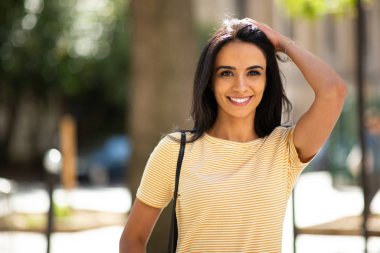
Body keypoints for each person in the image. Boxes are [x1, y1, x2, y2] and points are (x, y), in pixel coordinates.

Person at [119, 18, 346, 252]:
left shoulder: (284, 150)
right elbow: (132, 239)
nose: (240, 86)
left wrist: (281, 43)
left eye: (253, 73)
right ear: (209, 80)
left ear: (267, 81)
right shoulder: (175, 150)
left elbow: (333, 91)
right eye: (227, 73)